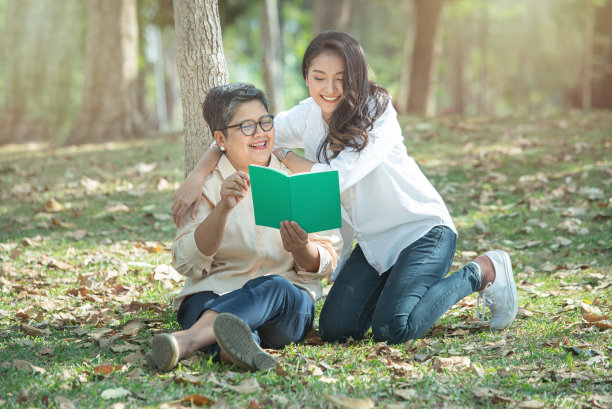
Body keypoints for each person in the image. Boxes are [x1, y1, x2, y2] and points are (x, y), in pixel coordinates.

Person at [172, 31, 519, 345]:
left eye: (341, 79)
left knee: (393, 327)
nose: (330, 89)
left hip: (421, 230)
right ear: (306, 77)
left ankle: (483, 270)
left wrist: (291, 160)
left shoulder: (378, 112)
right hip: (373, 244)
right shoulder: (307, 114)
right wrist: (198, 174)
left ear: (356, 77)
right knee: (337, 330)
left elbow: (337, 178)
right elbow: (248, 131)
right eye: (319, 77)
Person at [147, 83, 342, 372]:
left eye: (265, 122)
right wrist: (223, 208)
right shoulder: (206, 186)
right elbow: (185, 261)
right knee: (227, 322)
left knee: (275, 285)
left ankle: (187, 340)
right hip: (213, 294)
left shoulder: (298, 180)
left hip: (285, 305)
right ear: (220, 139)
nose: (261, 133)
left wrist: (302, 248)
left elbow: (327, 261)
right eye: (247, 126)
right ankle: (237, 348)